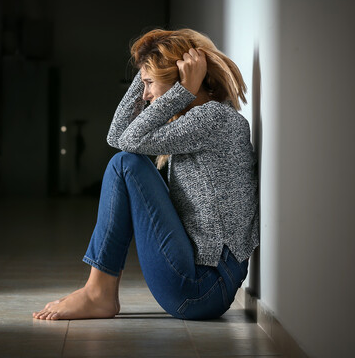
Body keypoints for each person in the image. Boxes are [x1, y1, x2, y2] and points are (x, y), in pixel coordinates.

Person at [33, 28, 259, 321]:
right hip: (203, 285)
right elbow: (117, 135)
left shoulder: (212, 119)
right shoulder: (202, 118)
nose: (145, 95)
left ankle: (98, 293)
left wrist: (182, 90)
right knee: (125, 161)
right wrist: (148, 71)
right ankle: (97, 292)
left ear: (180, 81)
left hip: (202, 288)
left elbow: (127, 141)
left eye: (150, 83)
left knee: (125, 164)